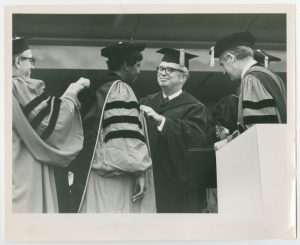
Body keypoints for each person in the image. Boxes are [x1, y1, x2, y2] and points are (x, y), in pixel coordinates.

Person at [71, 41, 156, 213]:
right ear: (125, 64)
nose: (139, 72)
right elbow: (124, 140)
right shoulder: (120, 89)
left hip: (91, 171)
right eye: (137, 66)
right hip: (115, 177)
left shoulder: (96, 88)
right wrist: (140, 171)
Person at [12, 37, 90, 213]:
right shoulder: (17, 86)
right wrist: (72, 91)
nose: (33, 66)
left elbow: (42, 115)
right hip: (24, 179)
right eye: (31, 60)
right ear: (17, 61)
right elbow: (52, 124)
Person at [140, 48, 209, 213]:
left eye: (169, 70)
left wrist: (162, 121)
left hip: (177, 187)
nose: (162, 73)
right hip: (149, 181)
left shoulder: (195, 107)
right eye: (160, 69)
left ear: (183, 77)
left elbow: (196, 139)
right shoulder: (146, 102)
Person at [209, 31, 286, 136]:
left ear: (231, 58)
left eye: (222, 64)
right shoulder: (270, 75)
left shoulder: (251, 78)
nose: (224, 71)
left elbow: (255, 128)